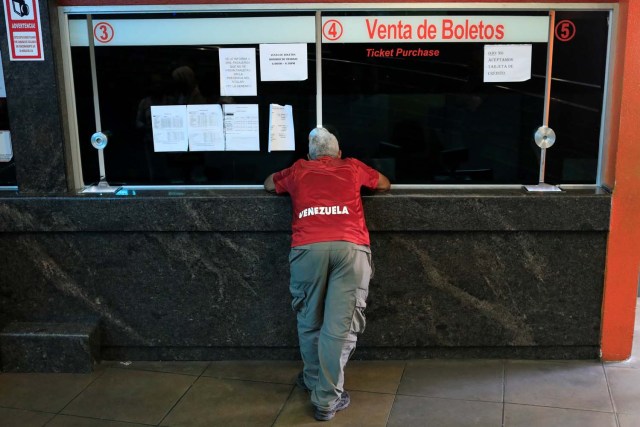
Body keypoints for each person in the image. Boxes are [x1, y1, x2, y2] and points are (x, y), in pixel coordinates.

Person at [264, 127, 391, 421]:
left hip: (308, 250)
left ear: (309, 154)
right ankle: (325, 398)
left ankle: (312, 380)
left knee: (309, 320)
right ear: (339, 153)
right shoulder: (352, 167)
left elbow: (269, 184)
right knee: (339, 328)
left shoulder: (298, 169)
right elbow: (384, 184)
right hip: (350, 248)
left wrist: (294, 173)